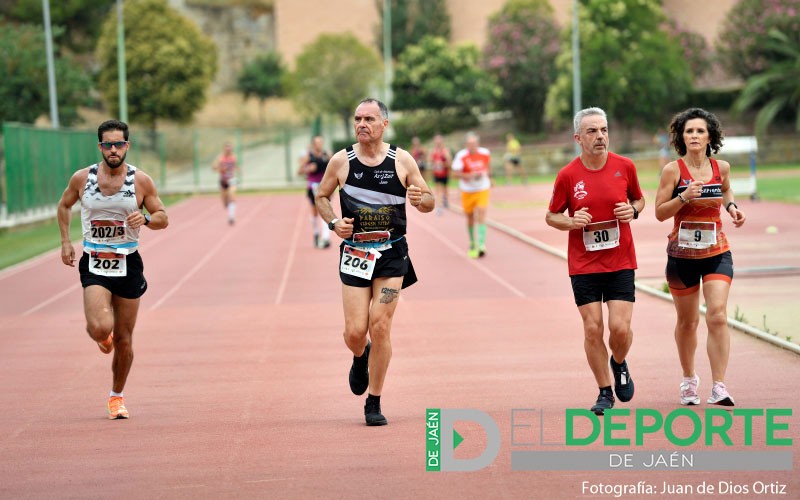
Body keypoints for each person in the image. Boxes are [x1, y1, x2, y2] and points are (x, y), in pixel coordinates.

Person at [315, 98, 434, 426]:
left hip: (393, 256)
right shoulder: (342, 161)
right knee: (355, 331)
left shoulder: (402, 160)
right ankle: (360, 354)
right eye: (358, 118)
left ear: (385, 124)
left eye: (369, 118)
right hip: (355, 254)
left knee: (381, 324)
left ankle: (374, 400)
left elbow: (429, 200)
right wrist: (333, 223)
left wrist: (420, 199)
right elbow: (321, 195)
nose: (362, 124)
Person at [57, 119, 168, 419]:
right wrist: (67, 242)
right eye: (108, 144)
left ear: (127, 146)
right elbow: (64, 206)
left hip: (128, 263)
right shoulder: (83, 179)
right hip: (94, 261)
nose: (114, 149)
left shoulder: (141, 181)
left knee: (125, 338)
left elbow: (162, 216)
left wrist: (144, 220)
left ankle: (116, 397)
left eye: (119, 144)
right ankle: (101, 336)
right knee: (100, 328)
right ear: (100, 147)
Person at [545, 107, 645, 415]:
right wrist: (572, 222)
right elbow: (551, 216)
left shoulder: (625, 166)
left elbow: (638, 199)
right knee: (592, 329)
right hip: (584, 263)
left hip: (620, 259)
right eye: (592, 131)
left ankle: (618, 362)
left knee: (620, 330)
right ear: (578, 138)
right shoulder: (568, 175)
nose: (600, 136)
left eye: (603, 130)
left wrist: (635, 210)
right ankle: (604, 391)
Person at [654, 108, 746, 407]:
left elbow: (726, 190)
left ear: (710, 136)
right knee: (688, 322)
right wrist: (684, 197)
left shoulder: (723, 167)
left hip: (717, 251)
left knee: (717, 315)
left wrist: (732, 208)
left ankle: (719, 385)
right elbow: (658, 213)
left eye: (699, 131)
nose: (694, 136)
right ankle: (689, 379)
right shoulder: (673, 170)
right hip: (681, 257)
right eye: (689, 131)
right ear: (682, 137)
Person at [452, 132, 492, 258]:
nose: (472, 146)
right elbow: (455, 174)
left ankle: (481, 244)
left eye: (474, 143)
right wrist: (468, 176)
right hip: (467, 190)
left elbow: (488, 167)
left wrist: (489, 177)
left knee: (481, 213)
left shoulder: (485, 153)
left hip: (482, 188)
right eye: (470, 144)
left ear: (478, 143)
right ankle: (472, 242)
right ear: (466, 145)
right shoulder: (461, 156)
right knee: (470, 217)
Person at [297, 135, 332, 248]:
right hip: (312, 186)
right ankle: (316, 233)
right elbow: (299, 172)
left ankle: (326, 238)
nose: (319, 144)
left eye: (321, 142)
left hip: (325, 186)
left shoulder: (327, 155)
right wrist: (308, 169)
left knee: (326, 210)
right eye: (317, 142)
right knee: (315, 212)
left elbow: (335, 168)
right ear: (313, 144)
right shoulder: (308, 156)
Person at [212, 142, 238, 225]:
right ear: (224, 149)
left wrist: (236, 169)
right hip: (223, 180)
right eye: (227, 148)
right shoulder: (220, 158)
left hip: (231, 179)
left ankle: (231, 217)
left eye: (230, 148)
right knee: (225, 203)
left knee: (232, 196)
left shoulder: (234, 157)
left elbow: (236, 167)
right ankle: (228, 205)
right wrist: (220, 168)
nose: (228, 150)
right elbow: (213, 167)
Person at [429, 134, 452, 215]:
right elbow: (430, 162)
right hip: (437, 173)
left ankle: (445, 200)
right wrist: (435, 164)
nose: (438, 143)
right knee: (438, 190)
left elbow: (449, 163)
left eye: (439, 141)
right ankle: (439, 207)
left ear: (442, 142)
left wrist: (442, 164)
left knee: (445, 188)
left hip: (445, 173)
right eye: (436, 141)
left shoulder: (445, 151)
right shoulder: (433, 151)